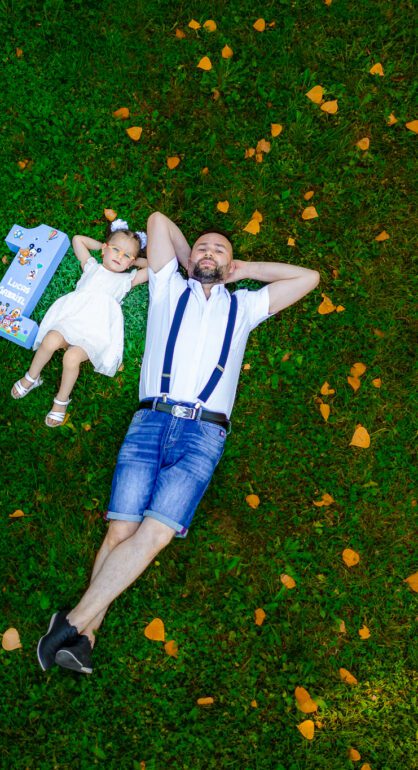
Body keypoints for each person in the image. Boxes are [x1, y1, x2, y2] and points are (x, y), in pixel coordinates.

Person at [37, 211, 320, 674]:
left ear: (231, 264)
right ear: (189, 258)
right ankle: (81, 638)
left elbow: (308, 277)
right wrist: (193, 259)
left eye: (219, 249)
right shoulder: (168, 286)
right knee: (120, 530)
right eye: (203, 247)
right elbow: (157, 220)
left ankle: (70, 625)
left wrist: (244, 270)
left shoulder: (245, 306)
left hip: (205, 433)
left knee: (157, 534)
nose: (209, 252)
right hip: (151, 420)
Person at [10, 220, 149, 426]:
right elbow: (78, 240)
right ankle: (32, 377)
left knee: (71, 358)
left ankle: (61, 400)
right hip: (71, 319)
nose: (120, 256)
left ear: (132, 262)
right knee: (49, 341)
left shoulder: (126, 280)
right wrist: (106, 247)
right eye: (116, 249)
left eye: (126, 255)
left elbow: (153, 267)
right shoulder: (92, 267)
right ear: (104, 249)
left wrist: (134, 262)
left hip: (95, 330)